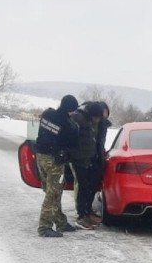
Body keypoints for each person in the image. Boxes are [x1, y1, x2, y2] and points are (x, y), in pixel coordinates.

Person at [35, 95, 79, 237]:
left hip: (40, 157)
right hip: (55, 161)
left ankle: (60, 222)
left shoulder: (47, 114)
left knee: (53, 191)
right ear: (71, 110)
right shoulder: (69, 125)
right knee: (53, 193)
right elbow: (72, 146)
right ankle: (44, 226)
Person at [68, 101, 105, 229]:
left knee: (89, 187)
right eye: (96, 117)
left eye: (100, 118)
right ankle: (81, 216)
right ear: (91, 115)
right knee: (83, 187)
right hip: (79, 159)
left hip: (90, 159)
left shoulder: (96, 123)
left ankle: (87, 212)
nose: (97, 120)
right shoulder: (78, 119)